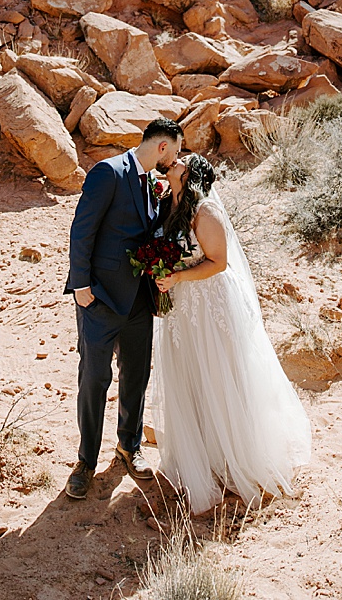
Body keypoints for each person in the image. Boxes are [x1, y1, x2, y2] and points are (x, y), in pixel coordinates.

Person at [152, 153, 311, 514]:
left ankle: (235, 459)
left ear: (192, 175)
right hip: (182, 305)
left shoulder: (205, 211)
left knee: (218, 374)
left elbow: (218, 262)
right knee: (189, 374)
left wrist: (177, 276)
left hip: (209, 302)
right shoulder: (169, 201)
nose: (174, 161)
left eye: (183, 161)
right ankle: (202, 457)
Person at [64, 117, 183, 500]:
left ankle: (128, 447)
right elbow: (82, 229)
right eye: (176, 150)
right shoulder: (109, 172)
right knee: (94, 381)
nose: (176, 157)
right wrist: (81, 287)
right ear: (163, 146)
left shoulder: (151, 183)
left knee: (136, 377)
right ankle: (85, 461)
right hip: (99, 299)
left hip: (138, 303)